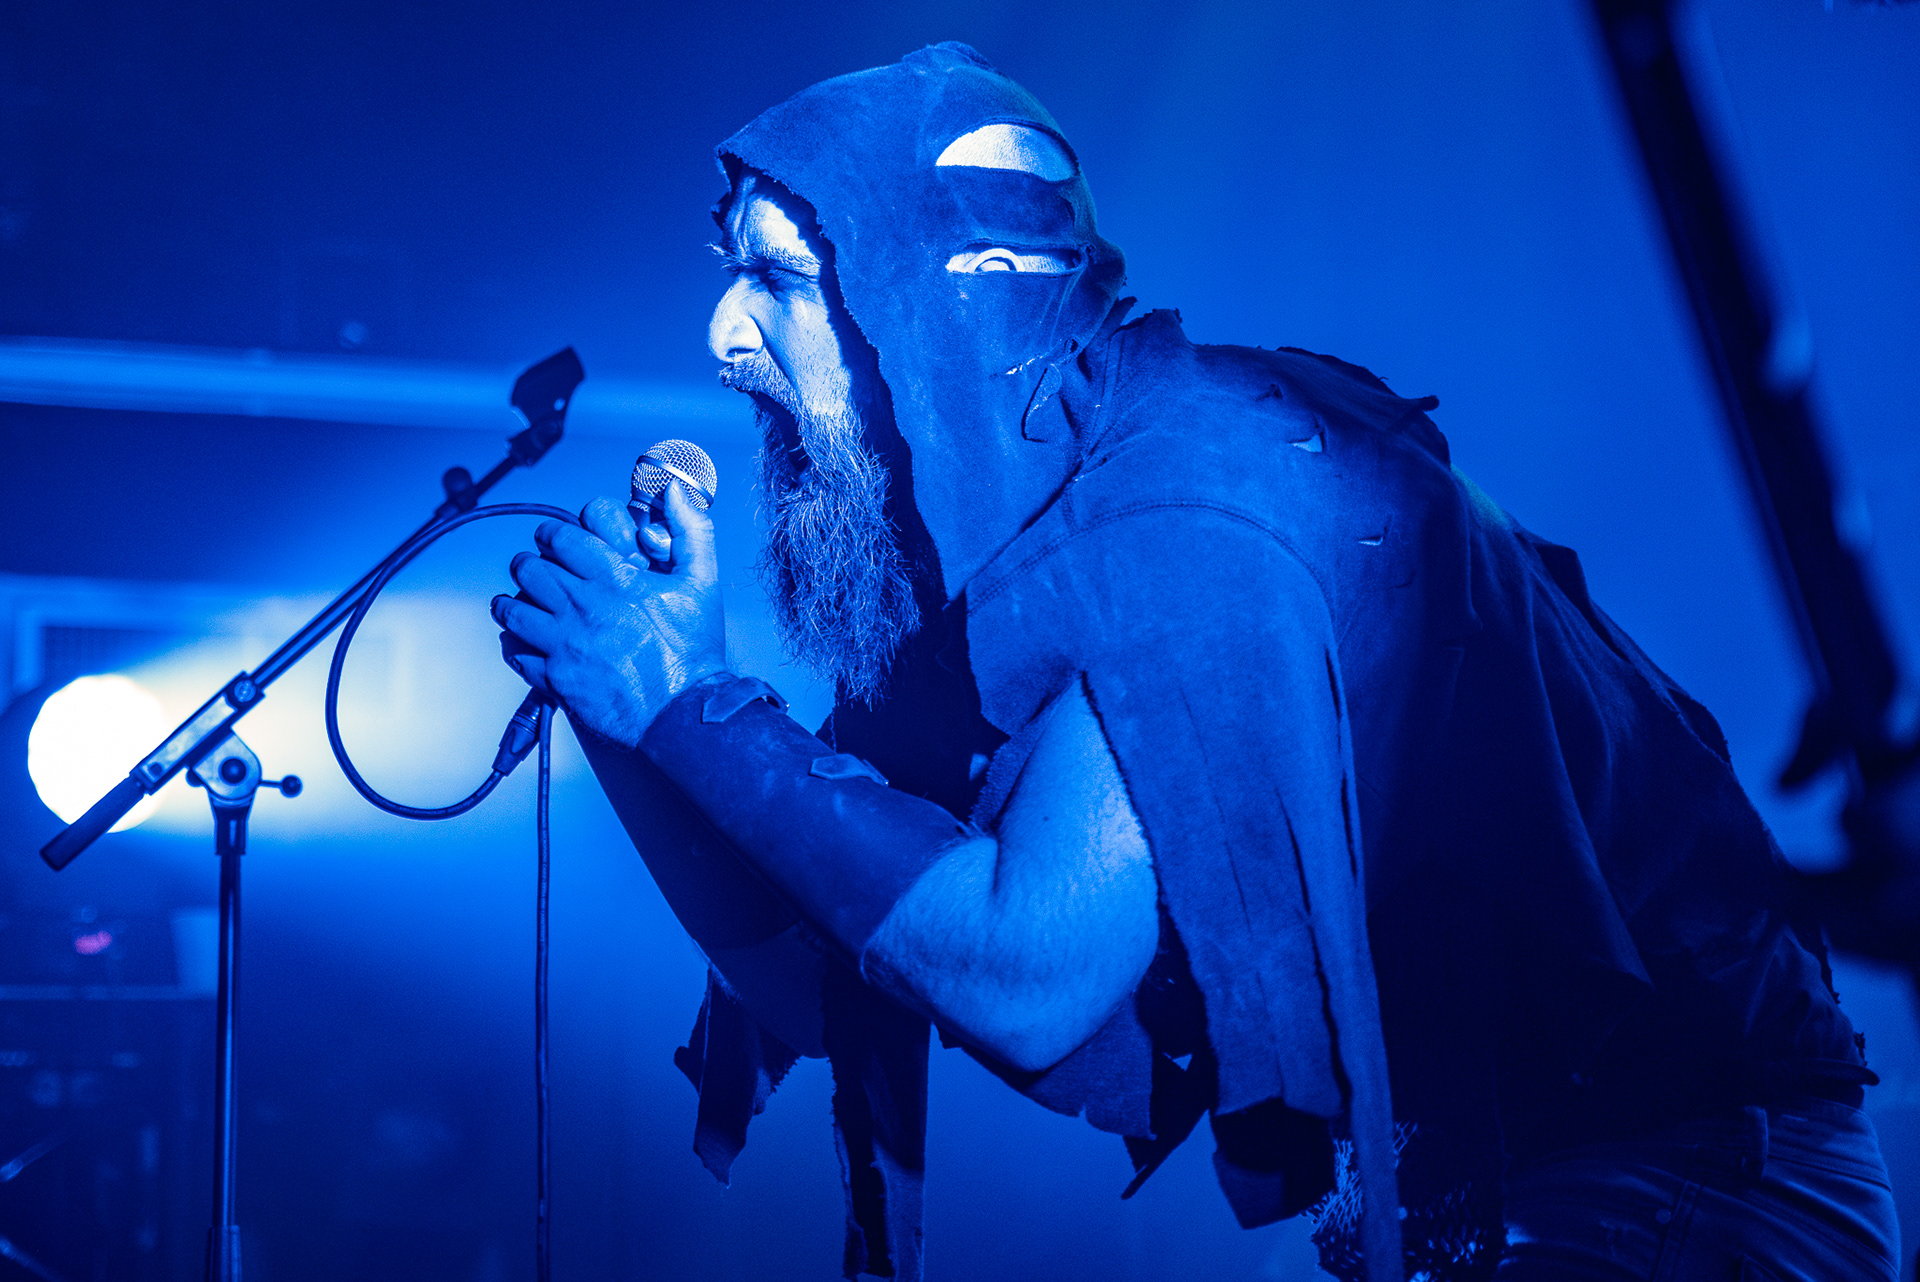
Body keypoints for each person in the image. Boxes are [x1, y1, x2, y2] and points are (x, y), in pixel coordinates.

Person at [491, 43, 1901, 1282]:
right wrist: (640, 706)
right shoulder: (1009, 551)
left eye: (781, 280)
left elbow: (1028, 971)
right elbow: (820, 984)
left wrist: (684, 705)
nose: (724, 335)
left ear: (945, 303)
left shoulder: (1191, 505)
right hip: (1549, 1196)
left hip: (1684, 1189)